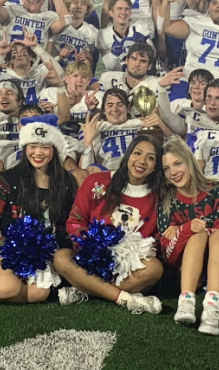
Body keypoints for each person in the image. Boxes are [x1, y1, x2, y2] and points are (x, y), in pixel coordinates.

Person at [0, 121, 80, 306]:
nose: (38, 153)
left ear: (54, 150)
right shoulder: (6, 179)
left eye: (45, 147)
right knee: (8, 287)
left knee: (38, 294)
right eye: (32, 146)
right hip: (1, 249)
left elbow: (67, 226)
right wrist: (9, 248)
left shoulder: (66, 183)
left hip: (42, 254)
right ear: (24, 148)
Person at [56, 132, 166, 312]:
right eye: (137, 153)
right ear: (128, 155)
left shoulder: (159, 196)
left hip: (128, 268)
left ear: (156, 167)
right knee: (61, 258)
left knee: (154, 268)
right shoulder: (96, 182)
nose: (142, 161)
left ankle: (85, 290)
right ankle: (124, 298)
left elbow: (156, 239)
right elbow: (75, 221)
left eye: (151, 158)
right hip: (90, 260)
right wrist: (89, 249)